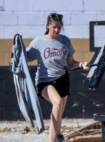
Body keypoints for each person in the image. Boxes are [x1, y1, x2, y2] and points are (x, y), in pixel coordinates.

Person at [26, 13, 90, 142]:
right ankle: (59, 136)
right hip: (45, 81)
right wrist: (17, 50)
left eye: (59, 27)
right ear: (47, 26)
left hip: (62, 79)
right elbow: (24, 58)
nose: (56, 30)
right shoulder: (38, 42)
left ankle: (53, 139)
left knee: (58, 111)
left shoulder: (65, 41)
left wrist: (82, 64)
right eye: (54, 27)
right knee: (57, 102)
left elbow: (71, 62)